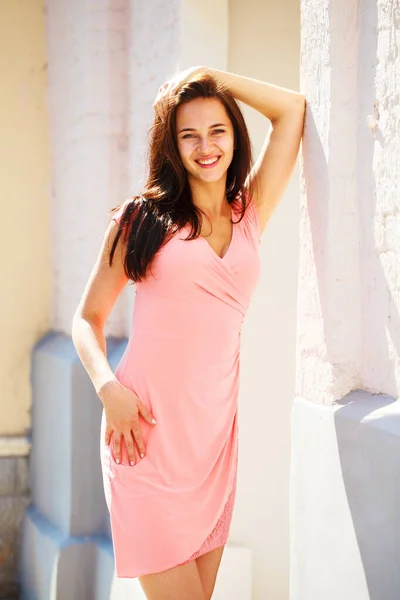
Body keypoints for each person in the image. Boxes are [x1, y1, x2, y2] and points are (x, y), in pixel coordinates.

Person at [72, 65, 305, 600]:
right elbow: (87, 319)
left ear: (234, 137)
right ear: (172, 146)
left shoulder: (249, 214)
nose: (206, 147)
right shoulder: (143, 220)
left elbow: (291, 110)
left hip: (212, 445)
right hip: (144, 438)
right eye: (189, 135)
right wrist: (109, 390)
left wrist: (211, 76)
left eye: (217, 130)